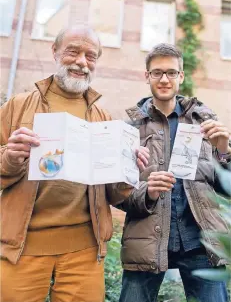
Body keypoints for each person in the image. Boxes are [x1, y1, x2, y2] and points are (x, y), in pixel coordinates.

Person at [0, 24, 150, 302]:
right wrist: (9, 158)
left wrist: (128, 171)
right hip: (22, 248)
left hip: (85, 251)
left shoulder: (104, 118)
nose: (82, 62)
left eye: (91, 56)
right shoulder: (18, 106)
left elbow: (114, 194)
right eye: (73, 52)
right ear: (55, 51)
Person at [118, 43, 231, 302]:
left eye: (171, 72)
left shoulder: (205, 122)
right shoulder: (130, 128)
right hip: (145, 242)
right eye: (157, 72)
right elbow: (118, 193)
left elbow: (227, 188)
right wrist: (147, 193)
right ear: (147, 76)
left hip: (201, 242)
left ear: (181, 76)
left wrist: (225, 151)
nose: (164, 79)